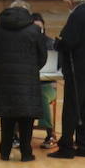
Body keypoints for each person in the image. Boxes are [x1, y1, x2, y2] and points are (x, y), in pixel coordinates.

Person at [0, 0, 48, 163]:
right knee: (27, 118)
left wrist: (2, 67)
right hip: (27, 79)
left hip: (4, 77)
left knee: (6, 117)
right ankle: (26, 153)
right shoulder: (34, 30)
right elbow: (42, 56)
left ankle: (5, 152)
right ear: (28, 12)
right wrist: (32, 68)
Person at [49, 0, 85, 160]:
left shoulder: (77, 16)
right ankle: (84, 145)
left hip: (76, 68)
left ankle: (66, 147)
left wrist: (58, 43)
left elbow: (68, 42)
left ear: (72, 1)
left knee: (72, 108)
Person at [31, 13, 58, 149]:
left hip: (47, 85)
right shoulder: (25, 44)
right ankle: (16, 134)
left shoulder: (51, 44)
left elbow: (57, 66)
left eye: (40, 28)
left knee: (41, 95)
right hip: (28, 84)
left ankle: (50, 133)